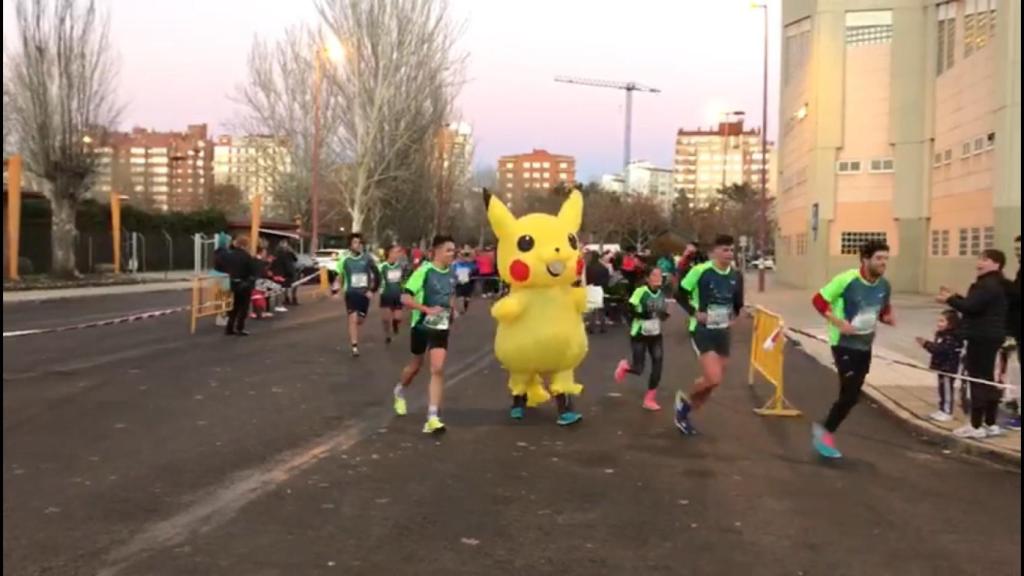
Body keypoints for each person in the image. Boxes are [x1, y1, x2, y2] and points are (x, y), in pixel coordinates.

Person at [808, 240, 894, 459]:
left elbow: (883, 309)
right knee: (850, 393)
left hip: (865, 344)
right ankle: (824, 432)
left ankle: (824, 430)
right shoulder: (846, 280)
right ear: (865, 260)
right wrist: (838, 322)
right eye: (879, 258)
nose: (883, 263)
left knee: (852, 395)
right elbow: (818, 301)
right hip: (843, 343)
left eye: (886, 258)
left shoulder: (884, 285)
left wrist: (887, 317)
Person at [675, 235, 746, 436]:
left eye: (731, 251)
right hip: (702, 329)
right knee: (713, 378)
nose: (729, 254)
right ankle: (683, 406)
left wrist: (736, 316)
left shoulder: (736, 275)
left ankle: (685, 408)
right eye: (725, 250)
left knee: (712, 381)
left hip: (723, 329)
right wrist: (694, 313)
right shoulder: (700, 271)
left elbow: (738, 301)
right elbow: (679, 293)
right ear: (714, 252)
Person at [939, 249, 1009, 440]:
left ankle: (976, 425)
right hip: (992, 336)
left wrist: (950, 299)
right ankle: (990, 423)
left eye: (985, 260)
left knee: (977, 380)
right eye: (979, 259)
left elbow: (970, 307)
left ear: (996, 264)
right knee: (988, 380)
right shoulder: (997, 284)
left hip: (980, 337)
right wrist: (956, 298)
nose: (979, 263)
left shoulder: (987, 285)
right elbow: (975, 306)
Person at [393, 235, 458, 435]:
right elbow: (405, 297)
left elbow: (450, 295)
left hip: (441, 327)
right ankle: (399, 390)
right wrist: (426, 310)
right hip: (421, 325)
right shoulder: (424, 271)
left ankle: (432, 417)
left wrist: (452, 310)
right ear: (436, 251)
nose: (452, 254)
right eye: (448, 250)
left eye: (453, 250)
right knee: (416, 365)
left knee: (437, 368)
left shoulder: (451, 273)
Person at [615, 267, 669, 411]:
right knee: (639, 368)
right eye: (654, 275)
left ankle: (650, 399)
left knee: (658, 365)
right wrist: (640, 315)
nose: (658, 278)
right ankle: (625, 366)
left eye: (660, 275)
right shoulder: (641, 292)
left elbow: (662, 311)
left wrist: (663, 315)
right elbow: (629, 307)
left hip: (656, 334)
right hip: (640, 334)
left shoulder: (661, 294)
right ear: (647, 278)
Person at [916, 310, 964, 423]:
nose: (939, 323)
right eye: (939, 320)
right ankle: (942, 409)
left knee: (947, 389)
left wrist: (926, 344)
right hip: (941, 367)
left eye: (942, 321)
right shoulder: (941, 335)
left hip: (948, 367)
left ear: (951, 324)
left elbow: (940, 350)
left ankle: (947, 412)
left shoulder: (951, 337)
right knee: (942, 389)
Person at [337, 233, 380, 358]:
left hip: (364, 295)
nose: (358, 245)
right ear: (350, 245)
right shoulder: (344, 259)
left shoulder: (367, 258)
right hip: (351, 293)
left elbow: (377, 275)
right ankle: (354, 346)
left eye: (360, 242)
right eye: (355, 242)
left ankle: (360, 319)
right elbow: (340, 275)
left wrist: (372, 290)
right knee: (352, 318)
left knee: (360, 320)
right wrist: (336, 288)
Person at [224, 235, 258, 337]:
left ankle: (229, 327)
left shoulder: (230, 255)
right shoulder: (247, 256)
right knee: (243, 307)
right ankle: (240, 328)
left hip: (232, 284)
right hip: (244, 284)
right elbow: (252, 271)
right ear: (245, 245)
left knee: (233, 307)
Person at [379, 245, 406, 345]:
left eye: (398, 253)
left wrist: (405, 290)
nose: (397, 255)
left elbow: (403, 279)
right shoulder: (382, 266)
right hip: (386, 294)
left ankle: (395, 323)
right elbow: (377, 278)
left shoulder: (400, 266)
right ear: (389, 253)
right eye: (395, 252)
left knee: (398, 317)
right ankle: (387, 335)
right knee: (386, 319)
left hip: (397, 294)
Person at [585, 251, 611, 334]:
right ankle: (603, 327)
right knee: (600, 309)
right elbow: (607, 280)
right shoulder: (603, 268)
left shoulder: (588, 268)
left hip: (590, 288)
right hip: (599, 288)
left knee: (591, 309)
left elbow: (585, 279)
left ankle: (591, 327)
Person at [272, 242, 299, 307]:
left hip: (282, 272)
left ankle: (286, 298)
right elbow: (295, 259)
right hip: (290, 271)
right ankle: (293, 298)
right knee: (294, 284)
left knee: (285, 285)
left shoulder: (277, 254)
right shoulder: (289, 253)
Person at [454, 248, 477, 314]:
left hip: (467, 282)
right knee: (461, 297)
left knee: (466, 297)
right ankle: (462, 308)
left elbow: (474, 268)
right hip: (460, 282)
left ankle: (464, 305)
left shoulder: (469, 263)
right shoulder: (456, 264)